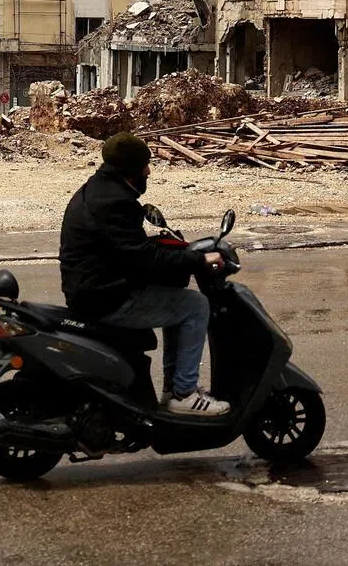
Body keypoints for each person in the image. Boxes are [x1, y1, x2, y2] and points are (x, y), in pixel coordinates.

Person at [59, 131, 230, 416]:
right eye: (145, 165)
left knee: (176, 301)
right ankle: (185, 393)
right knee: (195, 305)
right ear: (130, 169)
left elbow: (125, 248)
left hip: (94, 287)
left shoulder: (97, 190)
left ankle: (171, 389)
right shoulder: (116, 203)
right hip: (106, 298)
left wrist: (172, 251)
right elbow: (143, 259)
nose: (148, 171)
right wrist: (197, 261)